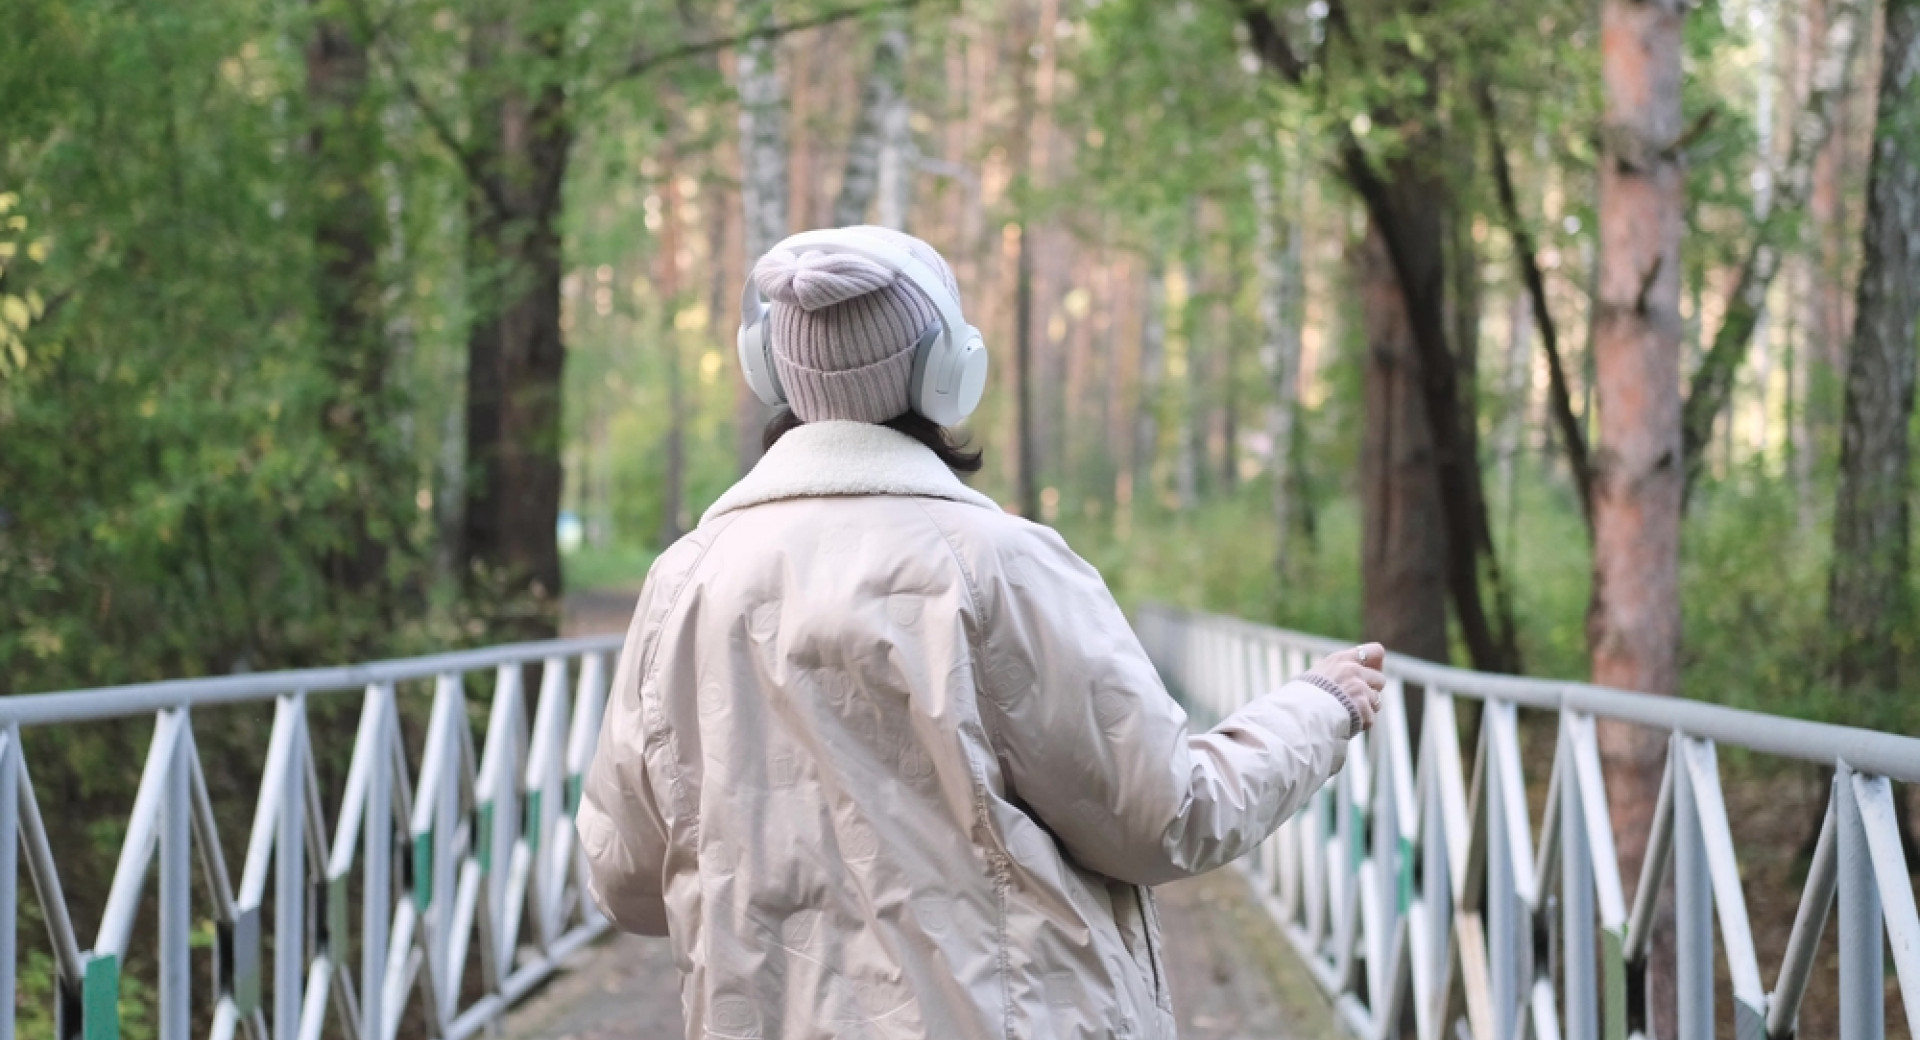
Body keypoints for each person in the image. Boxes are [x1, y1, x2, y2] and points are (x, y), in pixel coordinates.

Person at [578, 225, 1385, 1040]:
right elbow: (1164, 818)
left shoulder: (685, 577)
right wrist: (1319, 708)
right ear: (948, 374)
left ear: (770, 369)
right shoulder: (998, 564)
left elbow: (627, 875)